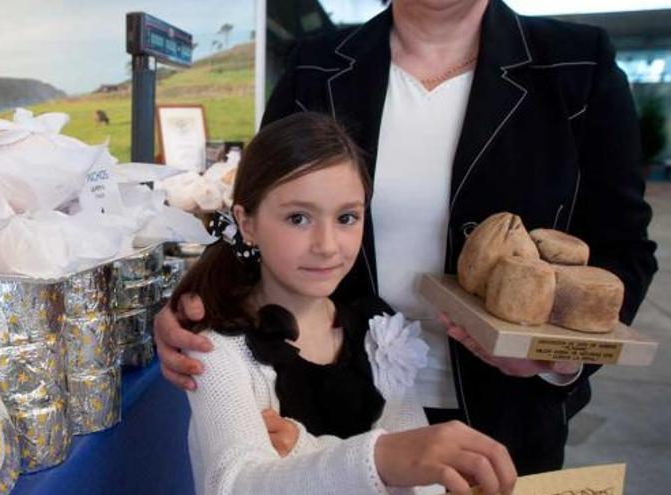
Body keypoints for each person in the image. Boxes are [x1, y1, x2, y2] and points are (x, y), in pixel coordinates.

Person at [156, 0, 658, 475]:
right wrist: (197, 304)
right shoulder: (316, 64)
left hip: (507, 416)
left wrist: (556, 358)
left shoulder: (575, 65)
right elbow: (268, 205)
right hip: (327, 401)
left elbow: (623, 249)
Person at [176, 112, 516, 494]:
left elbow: (425, 480)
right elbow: (238, 482)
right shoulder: (219, 349)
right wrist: (384, 460)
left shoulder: (381, 334)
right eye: (298, 218)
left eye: (347, 217)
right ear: (247, 223)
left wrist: (307, 448)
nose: (327, 245)